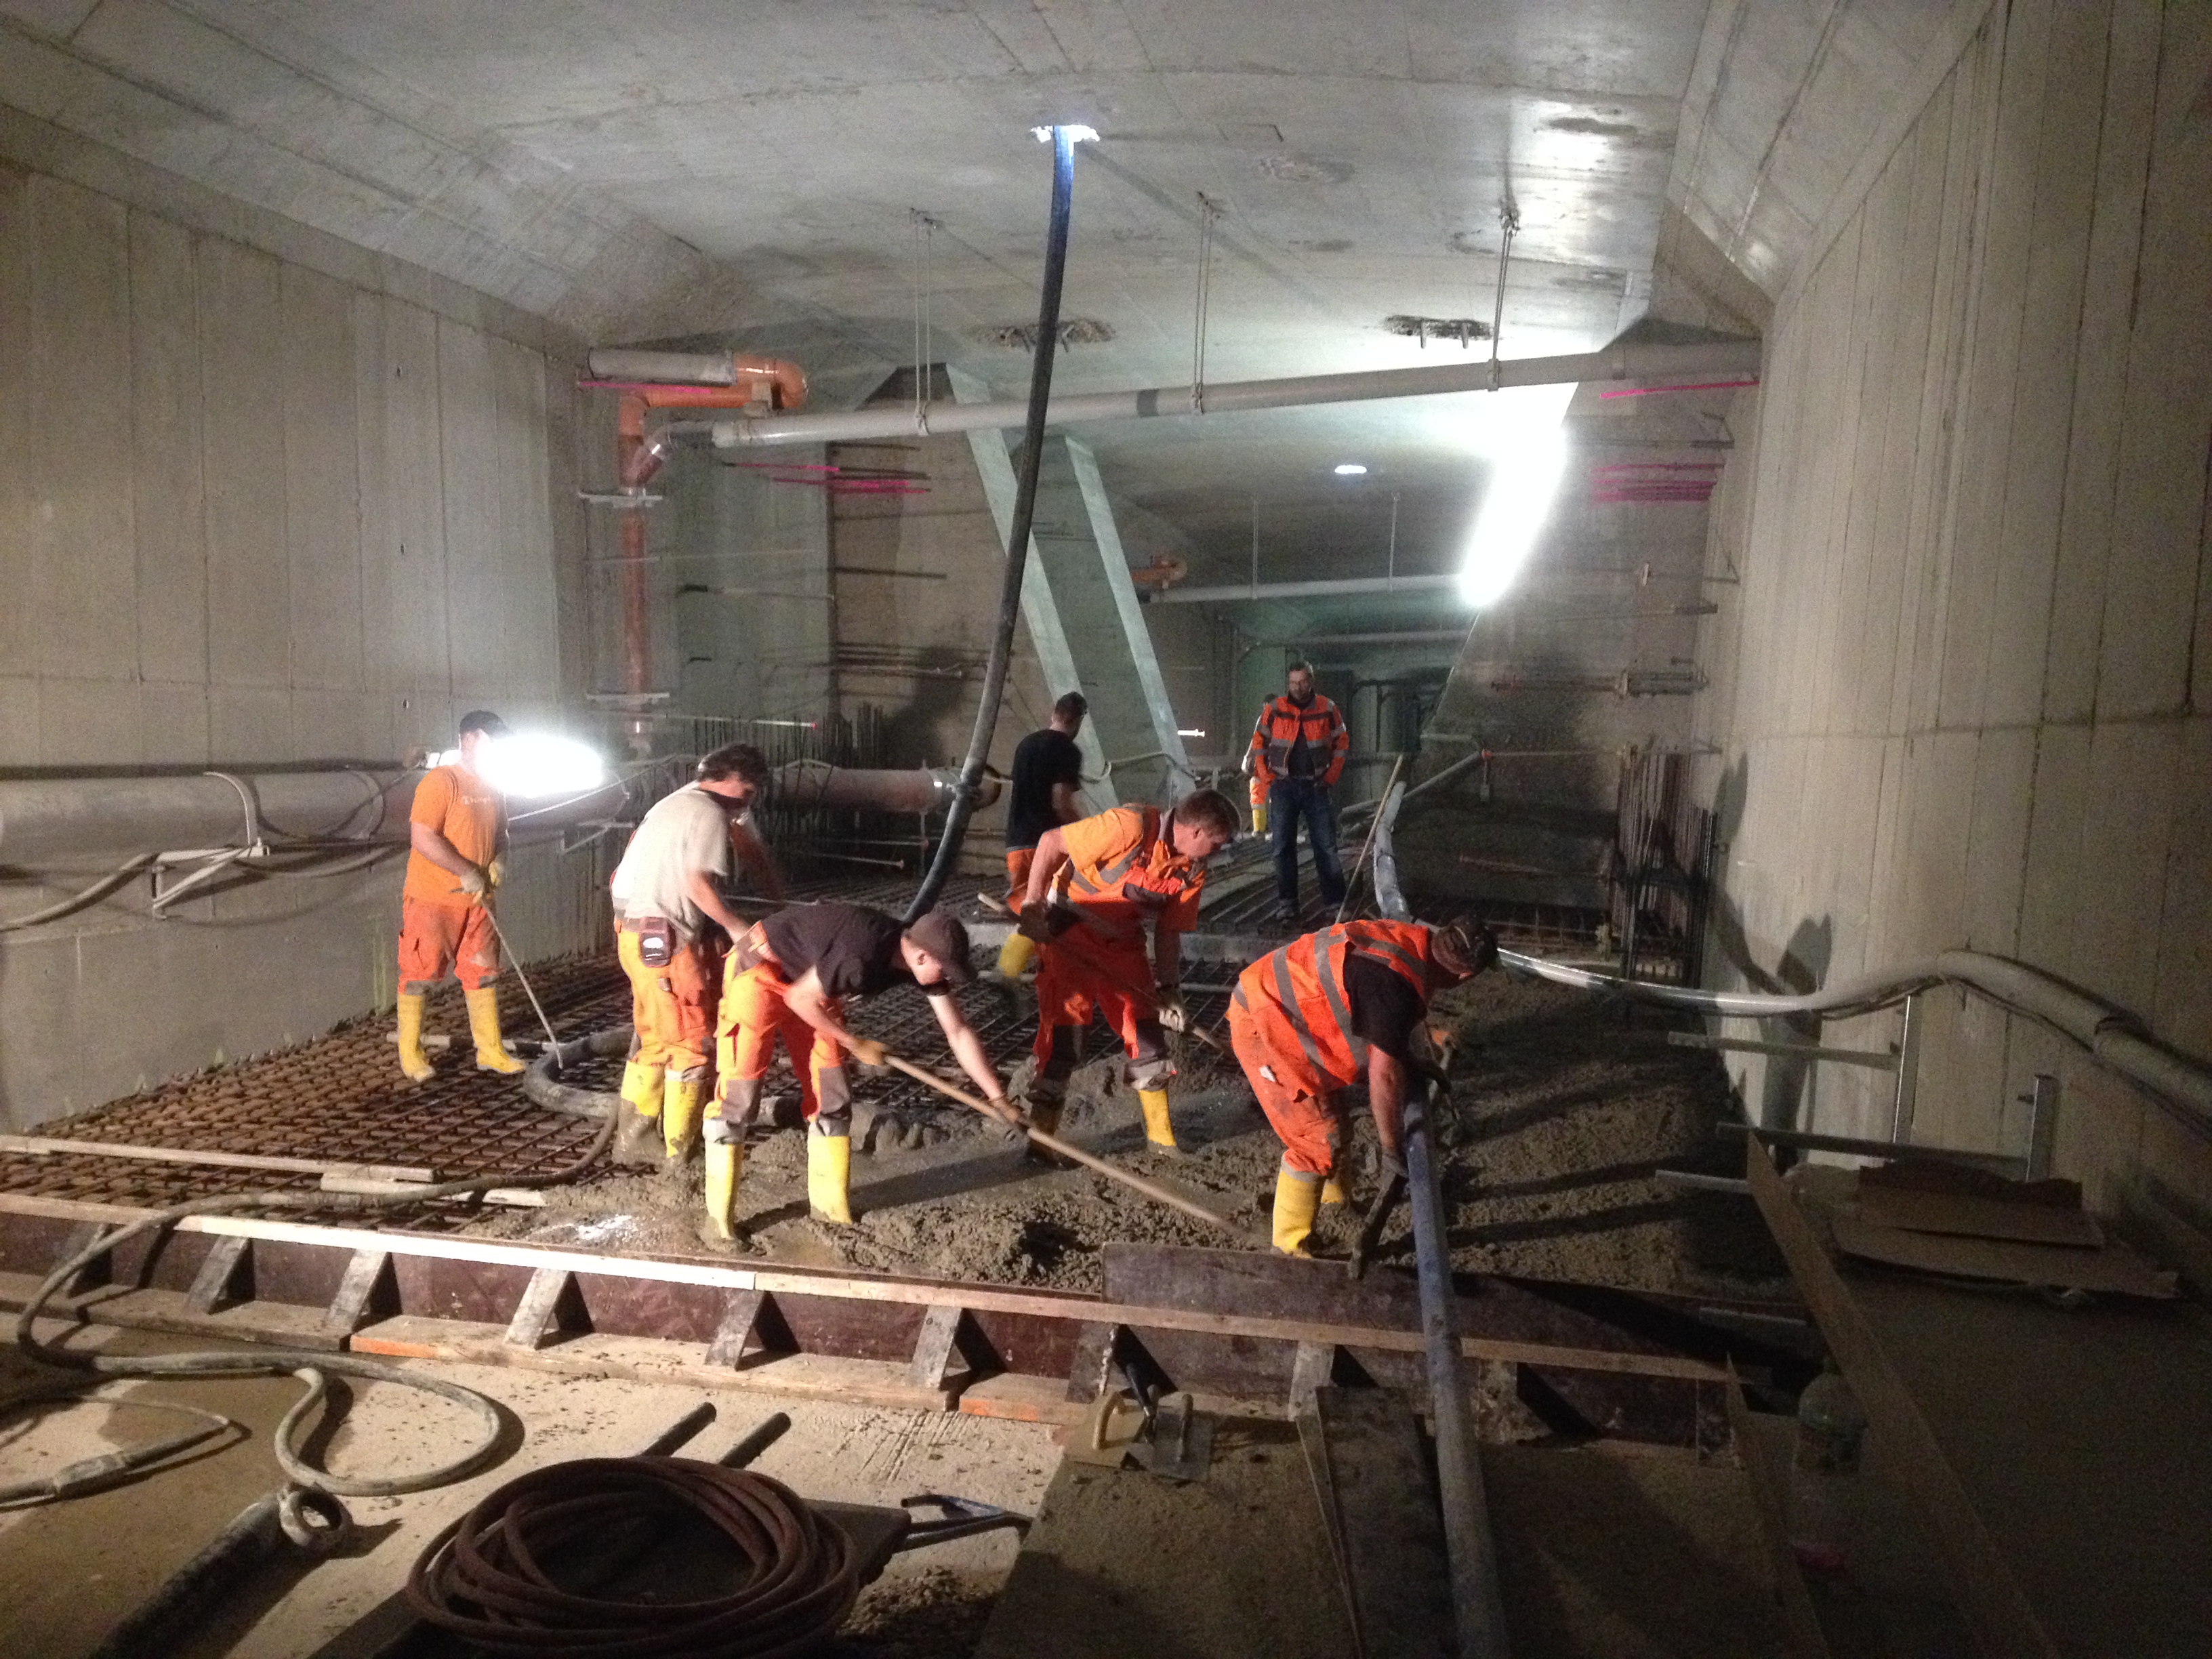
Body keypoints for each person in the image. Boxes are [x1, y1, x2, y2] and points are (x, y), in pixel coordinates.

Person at [708, 903, 1012, 1242]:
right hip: (761, 968)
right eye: (947, 970)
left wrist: (997, 1097)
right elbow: (798, 1000)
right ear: (923, 957)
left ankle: (829, 1209)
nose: (949, 978)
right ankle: (720, 1225)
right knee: (741, 1093)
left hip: (809, 981)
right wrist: (855, 1044)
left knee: (832, 1092)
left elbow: (957, 1031)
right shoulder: (861, 955)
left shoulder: (913, 958)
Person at [1229, 918, 1497, 1256]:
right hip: (1265, 1023)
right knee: (1317, 1141)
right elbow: (1383, 1076)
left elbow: (1387, 1027)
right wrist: (1391, 1149)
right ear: (1465, 977)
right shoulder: (1394, 986)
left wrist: (1412, 1060)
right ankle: (1289, 1248)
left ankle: (1335, 1203)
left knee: (1336, 1129)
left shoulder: (1410, 941)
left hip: (1288, 1007)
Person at [1012, 790, 1240, 1156]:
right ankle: (1041, 1145)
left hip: (1120, 944)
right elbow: (1051, 842)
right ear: (1196, 832)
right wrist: (1032, 904)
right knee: (1065, 1040)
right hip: (1068, 934)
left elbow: (1168, 930)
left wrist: (1169, 989)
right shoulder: (1130, 827)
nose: (1217, 854)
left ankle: (1163, 1141)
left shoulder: (1193, 868)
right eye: (1215, 845)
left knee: (1146, 1034)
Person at [608, 743, 784, 1173]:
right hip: (667, 940)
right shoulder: (708, 814)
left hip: (636, 936)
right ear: (739, 781)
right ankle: (679, 1156)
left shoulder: (675, 804)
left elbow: (623, 881)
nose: (752, 800)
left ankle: (633, 1139)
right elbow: (697, 884)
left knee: (655, 1041)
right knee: (692, 1047)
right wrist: (737, 928)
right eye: (752, 789)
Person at [394, 710, 525, 1082]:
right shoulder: (441, 782)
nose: (496, 747)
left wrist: (497, 859)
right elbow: (422, 837)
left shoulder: (493, 785)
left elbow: (503, 834)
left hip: (478, 900)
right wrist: (465, 870)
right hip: (434, 899)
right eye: (489, 738)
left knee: (482, 974)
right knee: (420, 975)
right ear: (467, 738)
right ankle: (411, 1054)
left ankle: (490, 1051)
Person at [1247, 661, 1350, 922]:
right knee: (1282, 847)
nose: (1298, 687)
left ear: (1312, 681)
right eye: (1293, 683)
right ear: (1288, 683)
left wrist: (1331, 776)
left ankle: (1335, 904)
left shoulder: (1327, 708)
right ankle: (1287, 904)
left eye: (1303, 682)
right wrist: (1268, 778)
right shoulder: (1274, 709)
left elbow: (1342, 742)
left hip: (1317, 786)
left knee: (1326, 847)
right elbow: (1259, 743)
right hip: (1284, 787)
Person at [994, 692, 1088, 955]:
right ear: (1079, 720)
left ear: (1053, 713)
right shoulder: (1067, 750)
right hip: (1046, 846)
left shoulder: (1025, 744)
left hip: (1017, 841)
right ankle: (1049, 979)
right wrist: (1086, 833)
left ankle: (1009, 974)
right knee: (1051, 918)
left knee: (1027, 914)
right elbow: (1061, 803)